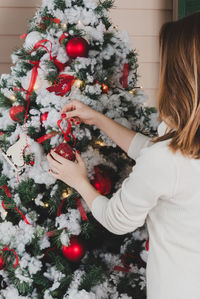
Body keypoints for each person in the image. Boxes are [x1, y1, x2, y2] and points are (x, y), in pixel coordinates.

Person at [47, 12, 200, 299]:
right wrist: (101, 120)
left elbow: (117, 219)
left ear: (180, 79)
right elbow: (158, 154)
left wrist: (79, 181)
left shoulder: (165, 160)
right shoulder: (175, 154)